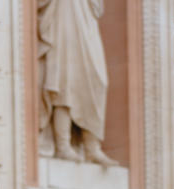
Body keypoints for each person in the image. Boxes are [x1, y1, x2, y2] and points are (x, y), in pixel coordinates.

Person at [38, 0, 117, 166]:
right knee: (66, 78)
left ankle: (92, 146)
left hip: (87, 15)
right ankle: (63, 145)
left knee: (98, 79)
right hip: (65, 11)